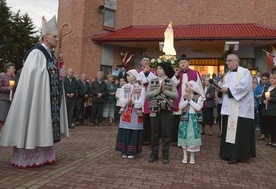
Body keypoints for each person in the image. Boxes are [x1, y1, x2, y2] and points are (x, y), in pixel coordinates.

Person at [0, 15, 69, 168]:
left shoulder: (50, 55)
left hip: (47, 99)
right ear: (45, 38)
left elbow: (55, 76)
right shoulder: (36, 54)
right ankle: (27, 157)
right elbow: (35, 77)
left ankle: (44, 155)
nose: (57, 39)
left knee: (43, 124)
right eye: (54, 36)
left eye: (57, 37)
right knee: (33, 120)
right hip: (37, 99)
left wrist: (60, 63)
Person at [219, 54, 255, 164]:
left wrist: (228, 91)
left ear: (236, 62)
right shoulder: (227, 74)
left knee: (238, 133)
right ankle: (227, 153)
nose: (227, 63)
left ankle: (237, 155)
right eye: (227, 61)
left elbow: (245, 87)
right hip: (229, 107)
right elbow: (224, 86)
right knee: (228, 131)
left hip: (240, 109)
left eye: (229, 61)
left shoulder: (244, 72)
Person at [146, 62, 178, 164]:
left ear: (165, 70)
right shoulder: (153, 81)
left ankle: (165, 155)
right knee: (154, 133)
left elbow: (175, 95)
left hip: (167, 111)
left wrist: (164, 91)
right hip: (154, 110)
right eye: (157, 68)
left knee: (166, 133)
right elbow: (147, 94)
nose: (158, 70)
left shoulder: (170, 81)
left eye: (160, 68)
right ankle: (154, 154)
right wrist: (157, 91)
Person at [170, 54, 204, 144]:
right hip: (179, 99)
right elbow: (172, 86)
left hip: (192, 100)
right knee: (177, 118)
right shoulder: (176, 74)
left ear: (188, 63)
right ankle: (176, 139)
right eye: (181, 62)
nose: (183, 64)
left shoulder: (194, 73)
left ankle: (190, 138)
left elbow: (199, 86)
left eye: (184, 62)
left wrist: (201, 97)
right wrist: (176, 75)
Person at [115, 69, 145, 159]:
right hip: (126, 110)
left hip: (136, 112)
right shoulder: (124, 87)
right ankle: (124, 150)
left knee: (134, 130)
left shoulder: (141, 88)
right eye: (127, 76)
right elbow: (121, 98)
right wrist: (127, 101)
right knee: (125, 130)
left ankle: (132, 151)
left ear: (134, 76)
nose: (127, 77)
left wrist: (134, 102)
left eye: (129, 75)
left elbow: (141, 101)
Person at [178, 81, 204, 165]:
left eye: (187, 86)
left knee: (192, 137)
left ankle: (192, 156)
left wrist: (190, 101)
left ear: (191, 88)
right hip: (185, 118)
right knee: (184, 136)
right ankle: (184, 156)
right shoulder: (184, 96)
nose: (185, 88)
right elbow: (180, 106)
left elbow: (198, 107)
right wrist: (187, 101)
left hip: (193, 119)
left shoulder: (199, 97)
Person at [137, 53, 157, 145]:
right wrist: (144, 73)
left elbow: (154, 82)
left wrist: (148, 73)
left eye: (147, 61)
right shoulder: (137, 71)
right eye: (144, 60)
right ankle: (140, 138)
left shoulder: (153, 72)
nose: (146, 62)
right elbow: (139, 82)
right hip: (141, 95)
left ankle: (150, 139)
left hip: (150, 96)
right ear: (141, 62)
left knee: (150, 119)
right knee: (141, 118)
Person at [0, 63, 16, 135]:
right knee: (2, 118)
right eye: (12, 68)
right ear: (8, 69)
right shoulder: (2, 76)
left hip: (11, 100)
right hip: (3, 99)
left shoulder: (13, 78)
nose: (14, 70)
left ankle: (5, 134)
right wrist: (7, 88)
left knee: (8, 118)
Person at [261, 73, 276, 147]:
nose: (272, 80)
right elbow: (263, 97)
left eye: (274, 78)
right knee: (268, 125)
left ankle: (274, 140)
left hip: (273, 110)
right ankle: (270, 139)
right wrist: (263, 100)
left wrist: (271, 99)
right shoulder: (267, 88)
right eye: (271, 78)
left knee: (274, 125)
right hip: (266, 109)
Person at [254, 73, 270, 140]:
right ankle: (263, 133)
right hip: (260, 104)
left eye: (265, 79)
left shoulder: (270, 86)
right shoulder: (258, 87)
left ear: (268, 79)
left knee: (268, 120)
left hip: (267, 105)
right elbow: (254, 95)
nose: (264, 81)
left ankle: (269, 133)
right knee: (261, 119)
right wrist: (258, 96)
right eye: (263, 79)